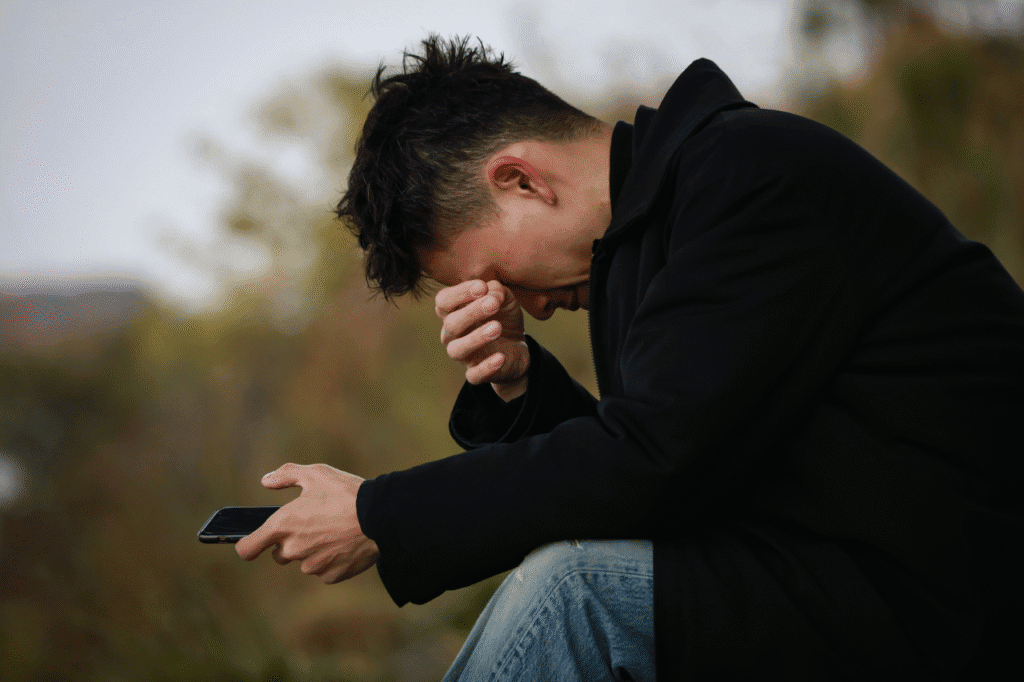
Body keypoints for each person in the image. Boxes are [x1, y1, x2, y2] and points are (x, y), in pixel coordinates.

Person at [235, 35, 1024, 680]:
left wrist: (381, 514)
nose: (530, 306)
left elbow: (650, 466)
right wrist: (522, 387)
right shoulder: (660, 233)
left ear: (520, 180)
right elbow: (667, 482)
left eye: (499, 275)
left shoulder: (750, 178)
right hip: (845, 585)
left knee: (577, 596)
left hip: (947, 600)